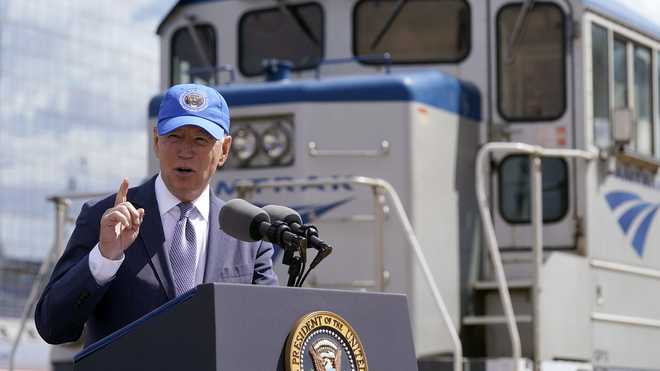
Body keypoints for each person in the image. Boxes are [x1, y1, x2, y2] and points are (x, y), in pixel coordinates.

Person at [35, 83, 278, 346]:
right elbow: (52, 326)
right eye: (174, 136)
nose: (185, 151)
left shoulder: (248, 235)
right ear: (156, 141)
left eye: (200, 139)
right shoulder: (104, 218)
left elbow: (267, 334)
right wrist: (104, 258)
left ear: (225, 150)